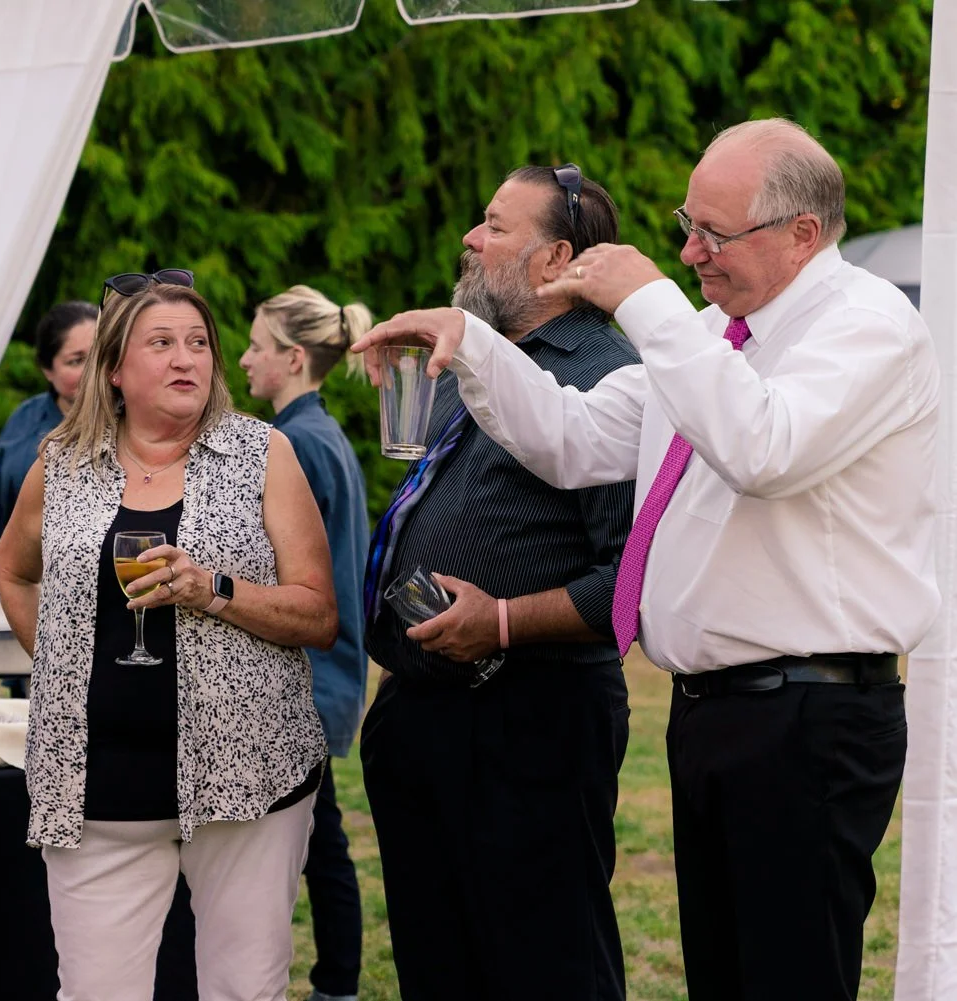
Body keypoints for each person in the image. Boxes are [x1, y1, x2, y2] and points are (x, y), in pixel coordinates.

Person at [354, 119, 938, 1001]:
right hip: (715, 714)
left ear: (803, 235)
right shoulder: (709, 335)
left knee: (786, 977)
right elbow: (571, 436)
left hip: (812, 714)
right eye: (685, 223)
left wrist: (648, 300)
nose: (690, 249)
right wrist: (469, 342)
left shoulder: (866, 325)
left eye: (714, 232)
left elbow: (763, 446)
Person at [0, 272, 336, 1001]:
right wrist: (61, 664)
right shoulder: (63, 464)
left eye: (199, 342)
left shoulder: (262, 454)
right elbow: (14, 574)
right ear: (115, 369)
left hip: (249, 780)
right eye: (162, 343)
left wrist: (212, 589)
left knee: (245, 990)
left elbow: (317, 613)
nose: (188, 358)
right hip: (96, 791)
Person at [356, 164, 639, 1000]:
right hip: (426, 714)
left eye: (494, 225)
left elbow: (630, 581)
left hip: (531, 722)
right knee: (439, 966)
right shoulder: (475, 360)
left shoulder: (603, 377)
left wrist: (505, 620)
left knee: (545, 966)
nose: (471, 241)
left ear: (555, 260)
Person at [239, 285, 371, 1001]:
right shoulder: (318, 437)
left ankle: (336, 984)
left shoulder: (295, 445)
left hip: (306, 676)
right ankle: (335, 980)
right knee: (319, 836)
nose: (243, 359)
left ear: (293, 359)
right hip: (327, 673)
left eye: (257, 346)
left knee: (312, 842)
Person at [0, 301, 98, 574]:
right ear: (47, 370)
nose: (92, 371)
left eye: (99, 355)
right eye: (76, 360)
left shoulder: (138, 418)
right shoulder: (24, 422)